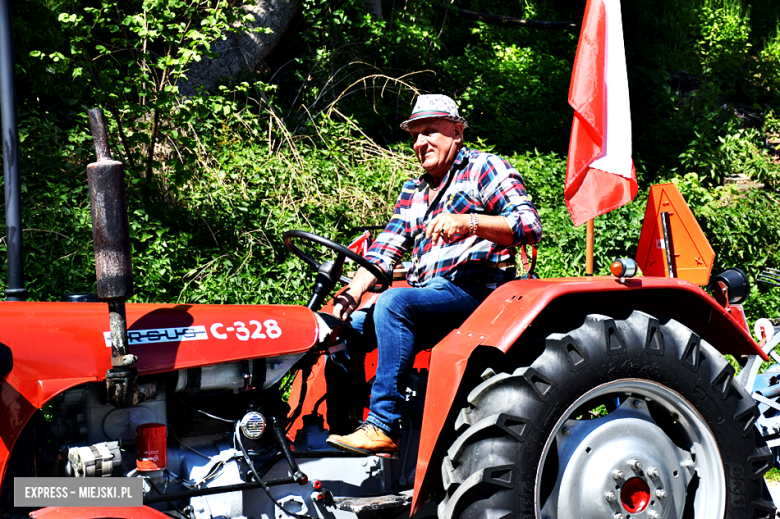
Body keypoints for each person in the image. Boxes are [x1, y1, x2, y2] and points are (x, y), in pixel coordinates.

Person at [325, 94, 542, 457]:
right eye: (414, 134)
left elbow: (528, 224)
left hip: (479, 295)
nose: (419, 142)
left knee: (394, 302)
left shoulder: (484, 169)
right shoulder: (414, 190)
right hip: (432, 297)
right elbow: (383, 253)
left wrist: (469, 222)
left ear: (456, 132)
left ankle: (382, 424)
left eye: (429, 131)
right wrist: (346, 299)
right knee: (340, 334)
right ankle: (341, 435)